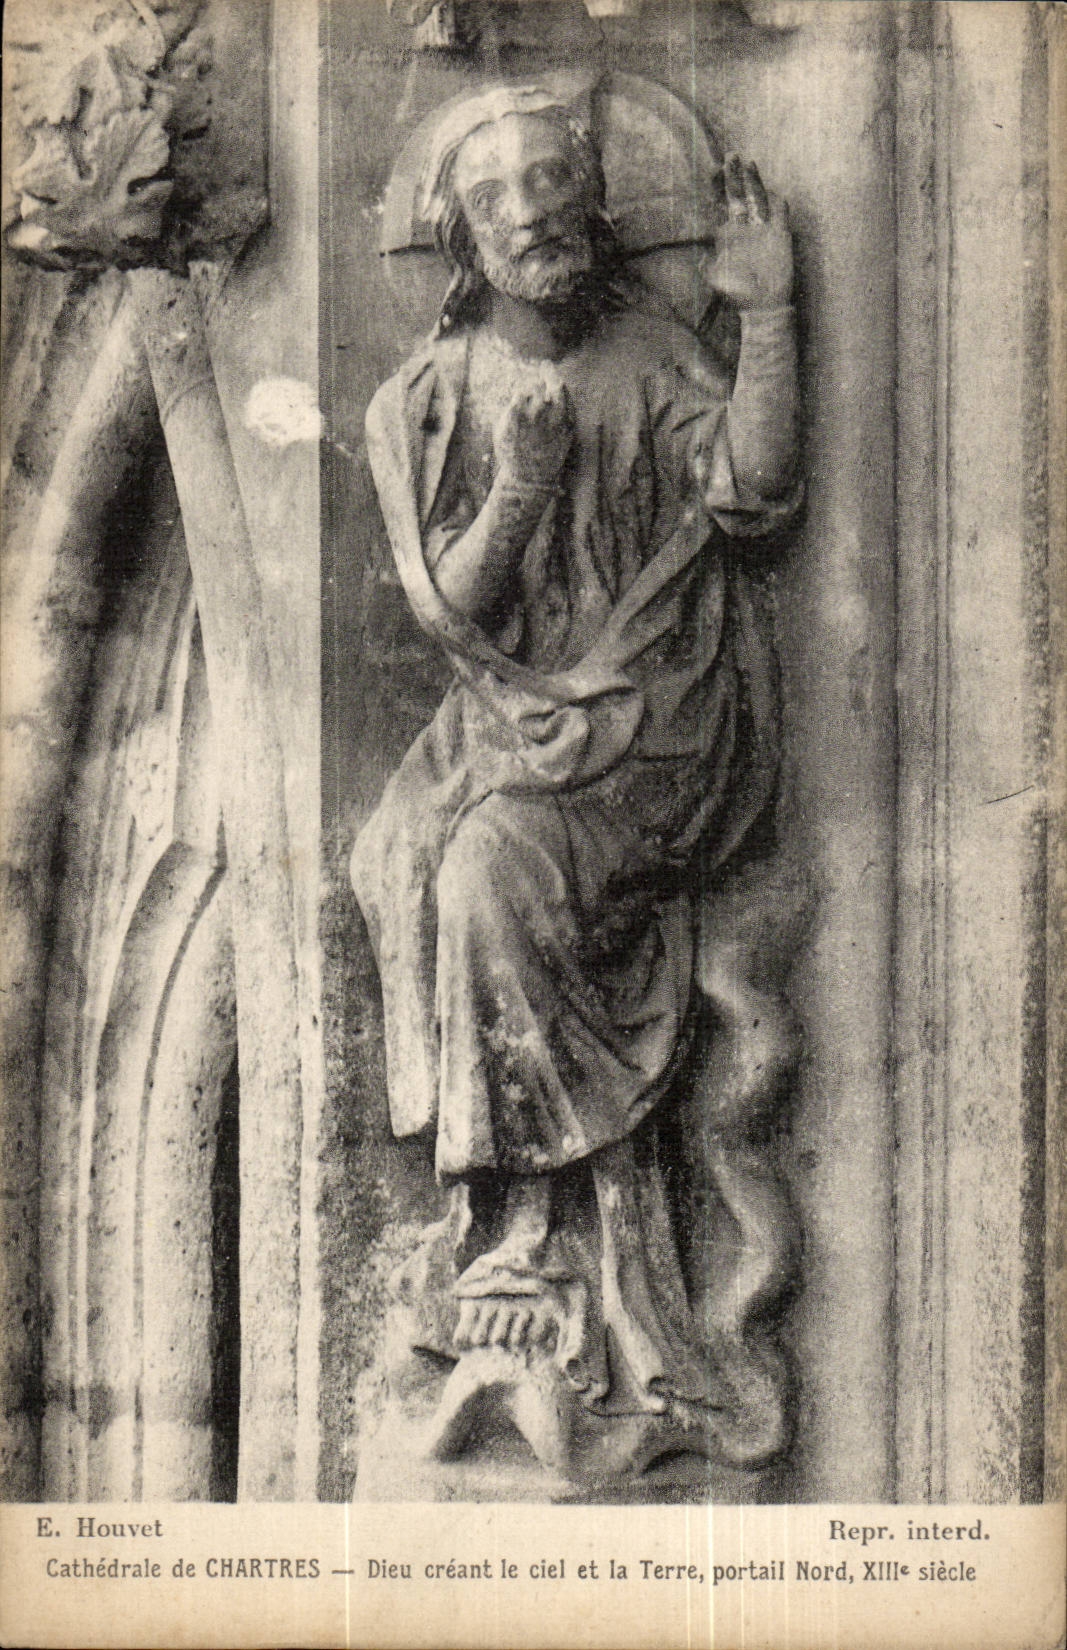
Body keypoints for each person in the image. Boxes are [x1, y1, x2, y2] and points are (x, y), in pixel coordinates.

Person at [352, 85, 799, 1437]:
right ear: (460, 237)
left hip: (660, 714)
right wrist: (522, 487)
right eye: (496, 198)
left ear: (593, 202)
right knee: (403, 851)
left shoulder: (654, 352)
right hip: (507, 716)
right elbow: (449, 608)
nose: (532, 215)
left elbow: (753, 492)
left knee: (488, 867)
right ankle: (506, 1220)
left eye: (553, 182)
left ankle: (531, 1233)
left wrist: (771, 317)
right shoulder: (425, 399)